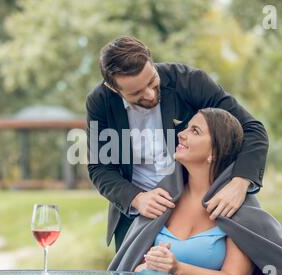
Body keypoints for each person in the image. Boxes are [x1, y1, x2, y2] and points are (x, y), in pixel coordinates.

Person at [86, 36, 268, 251]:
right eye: (136, 93)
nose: (151, 95)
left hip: (197, 206)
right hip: (137, 216)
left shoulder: (190, 82)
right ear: (114, 89)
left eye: (152, 81)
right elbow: (100, 168)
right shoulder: (100, 102)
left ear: (151, 62)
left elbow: (252, 129)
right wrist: (136, 198)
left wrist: (240, 182)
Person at [133, 108, 276, 275]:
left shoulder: (237, 207)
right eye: (186, 128)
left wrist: (178, 268)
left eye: (195, 131)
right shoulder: (163, 198)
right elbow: (138, 266)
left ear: (215, 152)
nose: (181, 135)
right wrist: (151, 264)